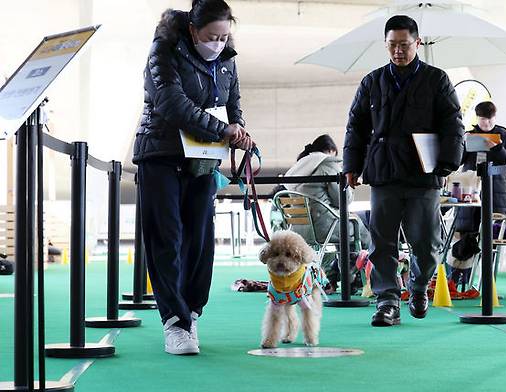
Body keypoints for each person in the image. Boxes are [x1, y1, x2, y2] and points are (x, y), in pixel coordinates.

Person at [132, 0, 254, 355]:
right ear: (192, 30)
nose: (217, 43)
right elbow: (172, 103)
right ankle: (174, 322)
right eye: (211, 36)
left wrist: (239, 128)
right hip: (161, 154)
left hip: (204, 161)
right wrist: (223, 129)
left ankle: (192, 313)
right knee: (166, 237)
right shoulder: (164, 50)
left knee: (200, 239)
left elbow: (234, 103)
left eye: (224, 36)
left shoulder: (228, 59)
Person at [343, 15, 464, 326]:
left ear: (417, 43)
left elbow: (453, 124)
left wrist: (448, 163)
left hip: (423, 172)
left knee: (425, 240)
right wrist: (351, 166)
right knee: (382, 241)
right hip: (383, 172)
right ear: (385, 45)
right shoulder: (372, 81)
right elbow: (356, 126)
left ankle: (420, 285)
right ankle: (387, 301)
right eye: (392, 45)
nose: (398, 51)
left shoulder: (437, 80)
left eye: (404, 45)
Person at [274, 135, 372, 292]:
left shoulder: (298, 167)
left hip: (298, 228)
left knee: (347, 230)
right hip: (325, 227)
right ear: (331, 150)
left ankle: (335, 277)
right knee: (359, 229)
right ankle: (355, 279)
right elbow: (343, 201)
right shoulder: (327, 164)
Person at [449, 101, 506, 299]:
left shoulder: (504, 135)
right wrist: (464, 145)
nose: (486, 123)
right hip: (470, 190)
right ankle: (458, 283)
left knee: (491, 241)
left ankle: (488, 287)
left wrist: (497, 147)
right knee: (466, 235)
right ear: (477, 118)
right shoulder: (468, 134)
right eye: (483, 119)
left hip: (495, 192)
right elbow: (457, 161)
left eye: (490, 119)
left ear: (495, 117)